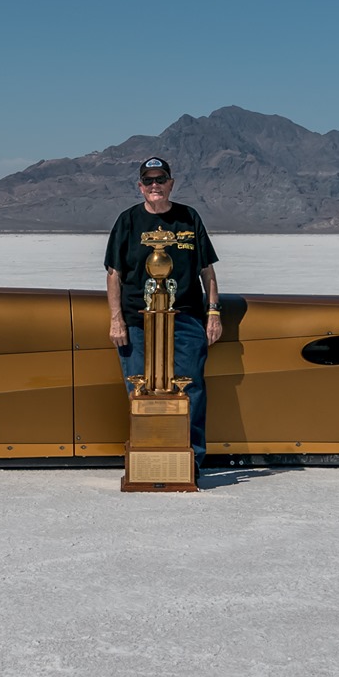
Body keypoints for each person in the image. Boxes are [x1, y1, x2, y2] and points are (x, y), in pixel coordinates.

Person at [106, 157, 222, 468]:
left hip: (184, 317)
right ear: (140, 187)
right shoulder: (128, 221)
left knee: (191, 387)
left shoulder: (188, 218)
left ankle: (191, 461)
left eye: (161, 180)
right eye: (149, 181)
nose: (155, 186)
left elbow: (206, 271)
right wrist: (116, 320)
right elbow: (114, 273)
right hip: (137, 320)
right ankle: (146, 458)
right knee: (139, 388)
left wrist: (213, 312)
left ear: (171, 183)